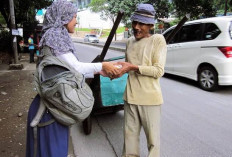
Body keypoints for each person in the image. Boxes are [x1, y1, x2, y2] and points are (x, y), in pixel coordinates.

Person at [26, 1, 118, 157]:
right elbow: (76, 68)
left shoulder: (54, 35)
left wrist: (99, 71)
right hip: (50, 110)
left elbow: (67, 70)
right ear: (64, 17)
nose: (76, 21)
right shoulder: (55, 35)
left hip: (53, 104)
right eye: (74, 17)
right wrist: (102, 65)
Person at [115, 4, 167, 157]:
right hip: (130, 97)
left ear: (151, 25)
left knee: (153, 142)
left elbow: (158, 70)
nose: (136, 27)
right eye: (134, 23)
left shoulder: (158, 40)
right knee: (129, 138)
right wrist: (115, 71)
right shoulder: (130, 42)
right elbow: (127, 68)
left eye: (142, 23)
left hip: (150, 99)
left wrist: (133, 67)